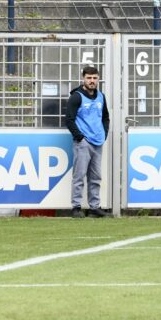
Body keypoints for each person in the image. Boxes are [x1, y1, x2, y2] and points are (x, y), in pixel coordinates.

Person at [65, 64, 110, 218]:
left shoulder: (101, 97)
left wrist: (104, 134)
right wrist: (79, 137)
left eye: (94, 78)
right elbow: (69, 119)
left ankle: (94, 208)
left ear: (98, 79)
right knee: (79, 176)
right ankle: (76, 207)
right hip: (83, 143)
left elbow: (105, 117)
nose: (92, 81)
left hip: (98, 142)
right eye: (89, 78)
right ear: (83, 78)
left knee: (96, 177)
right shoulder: (76, 96)